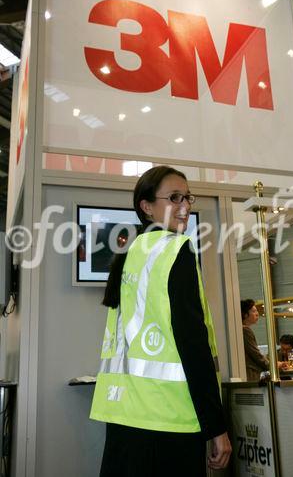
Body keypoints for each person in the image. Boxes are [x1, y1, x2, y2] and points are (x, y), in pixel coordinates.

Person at [91, 165, 232, 477]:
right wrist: (216, 426)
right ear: (146, 206)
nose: (185, 206)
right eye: (174, 198)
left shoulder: (129, 254)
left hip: (124, 416)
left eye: (187, 198)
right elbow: (192, 343)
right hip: (168, 419)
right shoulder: (175, 250)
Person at [241, 299, 270, 381]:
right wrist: (273, 365)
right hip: (250, 374)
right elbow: (255, 354)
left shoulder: (242, 329)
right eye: (253, 311)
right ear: (245, 314)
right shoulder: (245, 330)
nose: (257, 314)